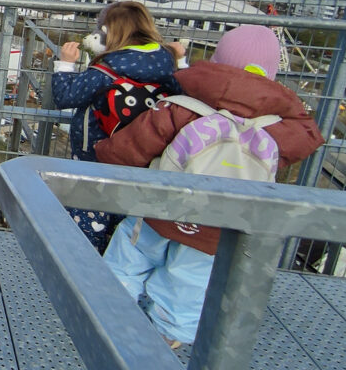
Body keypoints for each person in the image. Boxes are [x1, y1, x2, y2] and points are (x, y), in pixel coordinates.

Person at [95, 25, 324, 348]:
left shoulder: (183, 107)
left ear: (216, 62)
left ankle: (108, 312)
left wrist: (103, 154)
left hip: (159, 210)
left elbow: (130, 148)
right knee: (189, 279)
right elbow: (308, 139)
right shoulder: (279, 128)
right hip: (220, 225)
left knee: (130, 256)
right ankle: (169, 332)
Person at [51, 1, 183, 251]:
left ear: (108, 32)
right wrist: (180, 60)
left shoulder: (108, 68)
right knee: (128, 229)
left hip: (96, 160)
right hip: (145, 161)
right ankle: (120, 270)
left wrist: (65, 64)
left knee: (89, 224)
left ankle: (85, 269)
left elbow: (66, 97)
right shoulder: (167, 65)